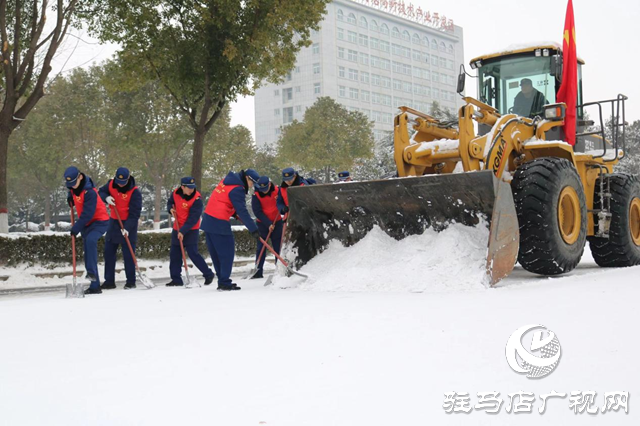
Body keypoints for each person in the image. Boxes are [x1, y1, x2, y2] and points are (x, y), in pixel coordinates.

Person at [201, 169, 261, 291]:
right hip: (219, 222)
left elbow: (223, 200)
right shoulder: (238, 188)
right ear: (247, 179)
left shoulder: (227, 181)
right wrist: (254, 229)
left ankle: (222, 280)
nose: (252, 187)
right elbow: (242, 210)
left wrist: (234, 213)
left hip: (208, 220)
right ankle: (224, 282)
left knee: (217, 254)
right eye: (252, 183)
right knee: (227, 253)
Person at [64, 166, 110, 295]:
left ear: (80, 177)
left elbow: (88, 214)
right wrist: (70, 197)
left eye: (74, 183)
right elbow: (71, 191)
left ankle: (91, 273)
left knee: (90, 241)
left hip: (99, 222)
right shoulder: (73, 188)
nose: (72, 186)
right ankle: (95, 286)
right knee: (88, 250)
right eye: (70, 185)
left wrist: (76, 228)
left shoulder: (89, 192)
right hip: (87, 224)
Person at [98, 167, 142, 290]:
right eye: (118, 181)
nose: (120, 184)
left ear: (128, 179)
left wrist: (127, 228)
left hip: (128, 223)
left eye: (123, 182)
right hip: (113, 222)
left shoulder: (135, 192)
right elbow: (101, 192)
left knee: (128, 254)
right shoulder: (111, 184)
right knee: (109, 252)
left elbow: (135, 213)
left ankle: (131, 281)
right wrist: (106, 198)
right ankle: (109, 281)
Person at [166, 177, 215, 287]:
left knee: (193, 253)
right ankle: (176, 279)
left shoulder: (197, 200)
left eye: (193, 188)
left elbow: (193, 219)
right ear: (182, 187)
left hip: (191, 229)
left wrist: (183, 231)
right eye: (189, 188)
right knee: (175, 254)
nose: (191, 190)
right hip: (177, 228)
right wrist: (170, 209)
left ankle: (208, 274)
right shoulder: (175, 193)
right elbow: (170, 203)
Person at [250, 176, 284, 279]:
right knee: (261, 248)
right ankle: (258, 271)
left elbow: (282, 204)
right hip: (262, 224)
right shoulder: (256, 195)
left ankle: (279, 271)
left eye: (265, 189)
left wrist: (282, 207)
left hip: (277, 222)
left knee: (278, 247)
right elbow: (257, 212)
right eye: (262, 189)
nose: (264, 191)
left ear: (269, 184)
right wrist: (268, 223)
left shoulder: (278, 191)